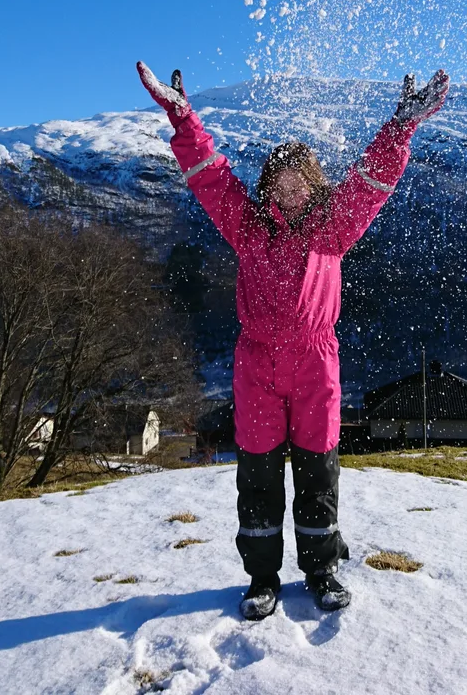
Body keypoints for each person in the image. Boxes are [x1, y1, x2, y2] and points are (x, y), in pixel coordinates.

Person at [136, 61, 449, 620]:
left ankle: (323, 570)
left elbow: (373, 182)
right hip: (256, 365)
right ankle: (262, 579)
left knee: (317, 473)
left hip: (315, 366)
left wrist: (400, 128)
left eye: (299, 177)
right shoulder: (248, 226)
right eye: (279, 178)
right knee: (257, 476)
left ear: (314, 181)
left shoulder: (334, 225)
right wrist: (184, 119)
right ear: (267, 185)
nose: (289, 187)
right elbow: (209, 176)